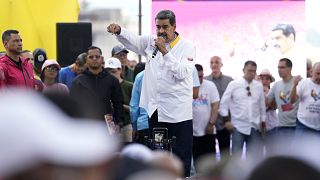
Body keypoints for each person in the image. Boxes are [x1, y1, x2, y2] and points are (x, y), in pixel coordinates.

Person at [107, 9, 195, 177]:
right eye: (158, 27)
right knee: (157, 154)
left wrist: (165, 52)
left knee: (181, 155)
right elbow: (135, 41)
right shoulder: (151, 42)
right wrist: (120, 31)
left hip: (178, 114)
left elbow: (182, 73)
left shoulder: (188, 47)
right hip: (156, 111)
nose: (161, 31)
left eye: (165, 27)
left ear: (174, 26)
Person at [219, 60, 266, 158]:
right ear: (243, 70)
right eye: (249, 70)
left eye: (254, 71)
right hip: (238, 126)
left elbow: (262, 106)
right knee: (236, 158)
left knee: (254, 159)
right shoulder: (234, 84)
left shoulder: (258, 86)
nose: (252, 73)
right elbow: (223, 104)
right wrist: (226, 121)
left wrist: (263, 122)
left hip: (254, 127)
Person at [70, 46, 125, 128]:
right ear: (86, 60)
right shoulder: (78, 81)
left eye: (97, 56)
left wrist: (119, 123)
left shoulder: (112, 80)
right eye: (91, 57)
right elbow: (72, 106)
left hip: (106, 127)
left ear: (102, 59)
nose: (94, 59)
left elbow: (118, 104)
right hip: (85, 126)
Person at [204, 55, 233, 159]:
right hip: (209, 122)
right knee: (209, 153)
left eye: (216, 62)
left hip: (224, 122)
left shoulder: (229, 80)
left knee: (225, 153)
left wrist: (229, 119)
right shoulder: (205, 80)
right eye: (212, 62)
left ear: (221, 64)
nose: (214, 64)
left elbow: (233, 100)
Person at [266, 58, 298, 149]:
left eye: (282, 67)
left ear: (290, 68)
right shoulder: (276, 85)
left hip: (297, 125)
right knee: (285, 155)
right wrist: (260, 87)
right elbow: (267, 102)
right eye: (278, 67)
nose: (279, 70)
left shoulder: (298, 82)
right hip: (282, 126)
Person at [192, 64, 219, 168]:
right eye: (197, 76)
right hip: (193, 132)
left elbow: (215, 105)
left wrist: (211, 123)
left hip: (208, 130)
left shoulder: (210, 85)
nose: (200, 79)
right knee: (197, 163)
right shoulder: (187, 86)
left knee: (211, 163)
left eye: (201, 76)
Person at [105, 57, 133, 143]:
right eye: (108, 72)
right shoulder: (104, 86)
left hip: (126, 124)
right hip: (109, 125)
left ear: (120, 70)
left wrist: (119, 105)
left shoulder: (129, 86)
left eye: (113, 71)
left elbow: (135, 109)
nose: (111, 74)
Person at [290, 62, 320, 135]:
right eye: (317, 73)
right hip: (303, 125)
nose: (319, 77)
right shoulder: (304, 83)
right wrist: (294, 86)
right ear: (311, 72)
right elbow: (292, 100)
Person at [258, 69, 278, 154]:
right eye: (262, 79)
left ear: (270, 81)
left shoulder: (274, 91)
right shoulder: (255, 92)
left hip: (272, 126)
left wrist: (267, 94)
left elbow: (275, 106)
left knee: (272, 152)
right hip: (258, 127)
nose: (264, 81)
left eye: (267, 79)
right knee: (257, 152)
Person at [130, 63, 149, 144]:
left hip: (144, 125)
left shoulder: (140, 76)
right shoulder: (170, 73)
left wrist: (135, 127)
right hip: (168, 124)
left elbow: (134, 106)